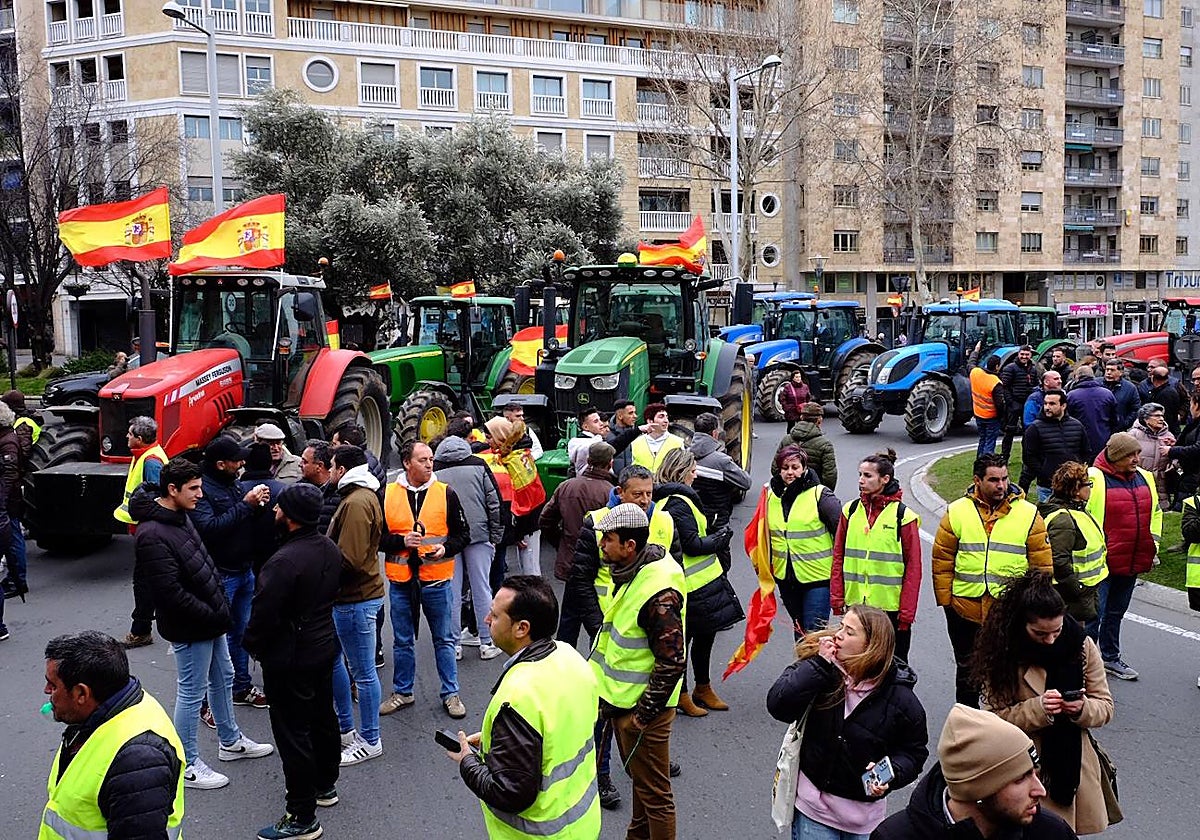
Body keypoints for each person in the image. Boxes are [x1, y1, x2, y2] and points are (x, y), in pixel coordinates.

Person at [130, 457, 273, 791]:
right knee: (192, 692)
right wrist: (215, 613)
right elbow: (169, 592)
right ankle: (187, 762)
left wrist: (217, 610)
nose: (199, 495)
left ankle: (230, 741)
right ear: (172, 489)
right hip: (191, 625)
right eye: (193, 489)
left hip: (209, 619)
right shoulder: (152, 533)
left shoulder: (179, 516)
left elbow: (201, 564)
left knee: (223, 677)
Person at [445, 576, 601, 839]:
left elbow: (510, 793)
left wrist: (467, 761)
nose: (486, 620)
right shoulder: (569, 656)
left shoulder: (518, 697)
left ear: (521, 628)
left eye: (495, 616)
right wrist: (505, 743)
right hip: (583, 824)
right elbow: (565, 723)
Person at [970, 572, 1115, 835]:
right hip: (1022, 766)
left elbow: (1104, 706)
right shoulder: (1004, 654)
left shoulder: (1081, 645)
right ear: (1022, 625)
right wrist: (1039, 709)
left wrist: (1081, 709)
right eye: (1040, 633)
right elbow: (993, 718)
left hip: (1071, 765)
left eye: (1056, 632)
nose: (1050, 640)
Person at [767, 605, 929, 839]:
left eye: (850, 632)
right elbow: (778, 705)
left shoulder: (900, 699)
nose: (838, 635)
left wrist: (891, 773)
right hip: (814, 810)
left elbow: (913, 752)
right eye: (841, 627)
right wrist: (819, 666)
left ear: (871, 646)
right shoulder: (823, 671)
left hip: (864, 820)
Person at [244, 483, 343, 840]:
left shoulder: (284, 561)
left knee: (292, 733)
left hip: (291, 656)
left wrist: (253, 645)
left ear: (291, 517)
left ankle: (302, 816)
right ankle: (324, 785)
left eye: (279, 508)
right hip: (322, 647)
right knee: (322, 718)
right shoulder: (328, 548)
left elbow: (263, 615)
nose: (274, 512)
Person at [589, 503, 686, 840]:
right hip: (625, 703)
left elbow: (673, 660)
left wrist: (642, 718)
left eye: (608, 540)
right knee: (644, 786)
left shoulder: (658, 595)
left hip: (643, 711)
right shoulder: (637, 571)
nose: (602, 545)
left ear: (630, 546)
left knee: (656, 796)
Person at [932, 453, 1052, 707]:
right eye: (994, 480)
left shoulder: (1029, 514)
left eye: (1005, 479)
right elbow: (942, 560)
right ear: (977, 480)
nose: (1001, 486)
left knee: (1008, 671)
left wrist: (1033, 608)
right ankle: (966, 724)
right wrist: (947, 602)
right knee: (967, 672)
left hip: (1009, 611)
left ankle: (1005, 728)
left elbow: (1041, 566)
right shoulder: (957, 511)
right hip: (965, 609)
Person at [40, 631, 185, 839]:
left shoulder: (137, 764)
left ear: (82, 693)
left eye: (53, 685)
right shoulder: (106, 707)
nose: (46, 691)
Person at [871, 703, 1078, 840]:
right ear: (978, 789)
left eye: (1035, 773)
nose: (1040, 791)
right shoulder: (894, 836)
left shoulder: (1052, 833)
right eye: (1020, 779)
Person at [379, 441, 471, 719]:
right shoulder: (387, 494)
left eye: (431, 459)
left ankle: (451, 694)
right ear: (407, 463)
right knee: (403, 640)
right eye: (423, 460)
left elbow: (462, 535)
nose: (430, 464)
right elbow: (378, 538)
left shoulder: (446, 493)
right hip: (401, 582)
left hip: (436, 581)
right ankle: (403, 692)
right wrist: (400, 541)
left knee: (444, 639)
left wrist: (447, 548)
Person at [653, 448, 740, 717]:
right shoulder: (678, 502)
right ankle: (683, 694)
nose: (695, 473)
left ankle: (702, 688)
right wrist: (721, 538)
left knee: (704, 637)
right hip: (691, 587)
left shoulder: (677, 500)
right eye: (692, 468)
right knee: (687, 642)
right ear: (682, 471)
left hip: (701, 586)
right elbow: (692, 544)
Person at [190, 435, 272, 711]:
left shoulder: (233, 483)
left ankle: (241, 686)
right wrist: (246, 505)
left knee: (241, 634)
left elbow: (242, 521)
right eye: (237, 460)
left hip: (244, 570)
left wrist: (259, 508)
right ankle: (205, 702)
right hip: (221, 574)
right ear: (220, 463)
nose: (242, 463)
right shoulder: (203, 491)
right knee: (216, 640)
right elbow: (210, 528)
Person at [324, 444, 385, 766]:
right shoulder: (358, 497)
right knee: (344, 665)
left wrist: (321, 572)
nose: (330, 472)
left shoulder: (358, 501)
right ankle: (348, 729)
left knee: (362, 673)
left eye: (332, 467)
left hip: (355, 599)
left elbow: (351, 559)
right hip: (351, 599)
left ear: (343, 470)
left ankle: (370, 738)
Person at [1085, 432, 1162, 681]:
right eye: (1131, 454)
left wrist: (1154, 545)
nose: (1137, 459)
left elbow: (1156, 513)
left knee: (1116, 613)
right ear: (1116, 455)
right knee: (1093, 617)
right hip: (1101, 563)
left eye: (1138, 453)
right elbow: (1081, 517)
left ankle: (1110, 658)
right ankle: (1083, 666)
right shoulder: (1094, 479)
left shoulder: (1144, 478)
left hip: (1132, 559)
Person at [831, 450, 921, 661]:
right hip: (856, 606)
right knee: (855, 662)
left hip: (889, 610)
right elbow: (838, 556)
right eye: (860, 475)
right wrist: (837, 597)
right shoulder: (850, 511)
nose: (861, 481)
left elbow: (913, 568)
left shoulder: (903, 516)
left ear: (885, 479)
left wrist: (906, 614)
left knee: (892, 665)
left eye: (868, 476)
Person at [433, 428, 505, 659]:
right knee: (482, 587)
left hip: (449, 539)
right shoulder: (479, 464)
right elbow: (494, 501)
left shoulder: (436, 469)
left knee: (452, 592)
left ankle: (454, 645)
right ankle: (486, 642)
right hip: (479, 534)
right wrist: (495, 535)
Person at [539, 440, 616, 646]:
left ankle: (564, 665)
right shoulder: (611, 492)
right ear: (610, 463)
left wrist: (560, 542)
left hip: (572, 562)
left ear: (588, 460)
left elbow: (545, 520)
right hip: (601, 566)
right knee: (600, 620)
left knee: (569, 621)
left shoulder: (566, 486)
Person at [762, 444, 841, 638]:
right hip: (786, 578)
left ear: (804, 468)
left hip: (818, 579)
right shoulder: (771, 496)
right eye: (785, 468)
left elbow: (842, 532)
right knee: (800, 632)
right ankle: (805, 667)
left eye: (795, 467)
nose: (790, 473)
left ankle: (815, 666)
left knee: (814, 634)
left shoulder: (820, 495)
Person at [115, 416, 167, 648]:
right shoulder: (146, 456)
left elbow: (155, 499)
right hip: (143, 529)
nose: (127, 437)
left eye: (130, 434)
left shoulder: (151, 461)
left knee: (144, 582)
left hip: (147, 531)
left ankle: (141, 630)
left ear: (140, 438)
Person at [1039, 462, 1108, 623]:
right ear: (1076, 490)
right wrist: (1077, 589)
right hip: (1071, 596)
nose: (1090, 488)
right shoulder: (1063, 520)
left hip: (1082, 592)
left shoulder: (1076, 510)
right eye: (1087, 484)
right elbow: (1059, 561)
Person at [483, 416, 546, 579]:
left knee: (530, 570)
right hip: (528, 521)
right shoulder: (518, 453)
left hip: (528, 523)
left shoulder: (514, 462)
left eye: (489, 436)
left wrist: (517, 533)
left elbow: (524, 502)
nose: (486, 440)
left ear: (500, 436)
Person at [689, 411, 751, 571]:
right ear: (715, 433)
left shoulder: (685, 455)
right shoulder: (721, 461)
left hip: (692, 521)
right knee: (722, 567)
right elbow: (746, 482)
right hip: (717, 523)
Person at [1019, 389, 1091, 502]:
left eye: (1052, 404)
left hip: (1074, 485)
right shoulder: (1034, 428)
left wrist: (1078, 470)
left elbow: (1086, 451)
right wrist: (1044, 473)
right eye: (1045, 403)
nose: (1047, 407)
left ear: (1063, 406)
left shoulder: (1077, 426)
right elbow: (1029, 457)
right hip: (1048, 486)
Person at [777, 402, 838, 490]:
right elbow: (829, 476)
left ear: (801, 418)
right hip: (813, 493)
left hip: (788, 491)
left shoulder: (786, 440)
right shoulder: (825, 444)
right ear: (819, 420)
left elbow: (775, 468)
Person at [1128, 401, 1176, 507]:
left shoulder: (1168, 435)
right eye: (1157, 416)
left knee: (1162, 515)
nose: (1162, 419)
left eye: (1162, 416)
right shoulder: (1133, 434)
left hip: (1162, 485)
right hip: (1138, 482)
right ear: (1146, 419)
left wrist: (1173, 453)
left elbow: (1177, 459)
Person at [1065, 366, 1117, 462]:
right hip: (1103, 440)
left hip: (1079, 442)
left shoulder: (1071, 396)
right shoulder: (1108, 394)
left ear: (1077, 377)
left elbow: (1067, 420)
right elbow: (1114, 420)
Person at [1000, 345, 1040, 460]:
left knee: (1028, 432)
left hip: (1027, 404)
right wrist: (1011, 403)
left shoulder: (1033, 368)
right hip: (1014, 404)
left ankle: (1027, 457)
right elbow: (1005, 387)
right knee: (1009, 431)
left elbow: (1035, 384)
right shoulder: (1010, 368)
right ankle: (1004, 457)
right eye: (1022, 354)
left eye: (1026, 354)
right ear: (1018, 354)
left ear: (1030, 355)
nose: (1024, 357)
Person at [1168, 389, 1200, 509]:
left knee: (1189, 508)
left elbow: (1197, 448)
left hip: (1194, 473)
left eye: (1191, 404)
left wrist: (1172, 451)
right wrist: (1177, 444)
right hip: (1190, 474)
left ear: (1196, 405)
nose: (1190, 408)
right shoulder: (1195, 423)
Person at [630, 402, 685, 472]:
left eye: (666, 417)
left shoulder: (678, 443)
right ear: (650, 421)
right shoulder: (635, 443)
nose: (666, 421)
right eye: (661, 417)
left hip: (668, 482)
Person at [300, 439, 340, 533]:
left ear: (319, 466)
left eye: (305, 462)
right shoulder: (298, 490)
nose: (300, 464)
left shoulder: (338, 495)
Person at [970, 355, 1006, 458]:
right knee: (990, 442)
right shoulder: (995, 382)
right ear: (997, 366)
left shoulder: (975, 372)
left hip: (978, 415)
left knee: (982, 439)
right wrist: (1002, 418)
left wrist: (975, 352)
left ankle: (979, 462)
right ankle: (986, 465)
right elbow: (1000, 404)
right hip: (991, 417)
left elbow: (970, 364)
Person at [606, 398, 646, 477]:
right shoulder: (606, 434)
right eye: (631, 413)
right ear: (620, 416)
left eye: (635, 413)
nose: (635, 416)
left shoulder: (638, 435)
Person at [1141, 364, 1185, 434]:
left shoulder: (1164, 394)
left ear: (1153, 378)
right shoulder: (1170, 390)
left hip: (1165, 432)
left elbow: (1166, 417)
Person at [567, 407, 610, 476]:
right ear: (585, 427)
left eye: (599, 420)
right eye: (596, 421)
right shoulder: (584, 445)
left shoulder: (597, 439)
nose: (601, 423)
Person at [1101, 359, 1141, 432]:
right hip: (1099, 428)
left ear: (1121, 372)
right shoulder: (1097, 384)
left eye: (1112, 370)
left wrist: (1125, 423)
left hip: (1118, 429)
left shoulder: (1130, 388)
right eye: (1107, 370)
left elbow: (1135, 409)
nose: (1108, 373)